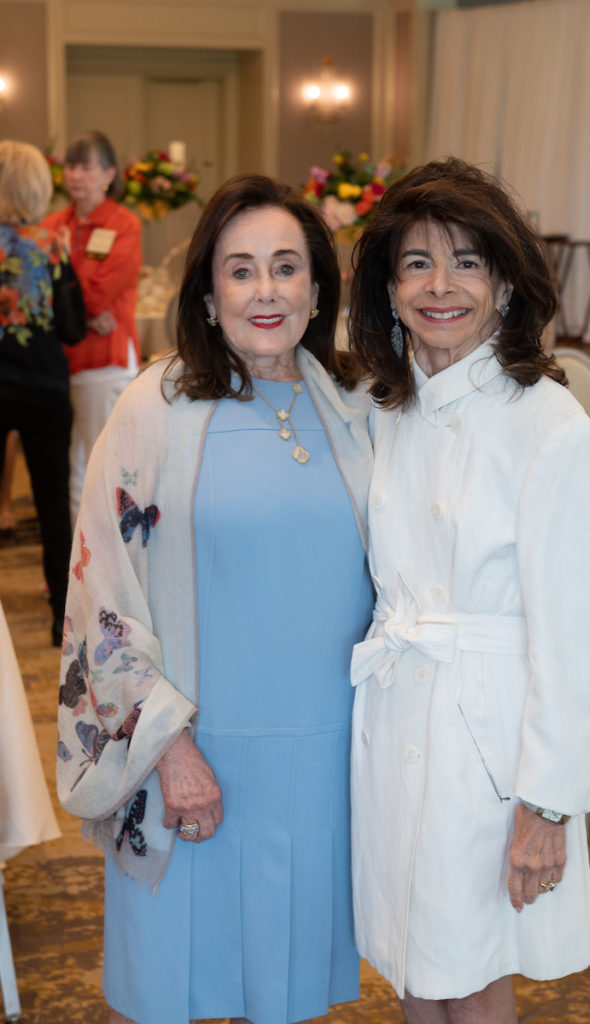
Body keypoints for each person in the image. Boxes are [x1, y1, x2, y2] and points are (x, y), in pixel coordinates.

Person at [56, 173, 374, 1024]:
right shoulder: (154, 408)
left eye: (286, 267)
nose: (266, 290)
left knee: (288, 991)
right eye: (240, 270)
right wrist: (169, 749)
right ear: (206, 295)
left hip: (320, 768)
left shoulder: (358, 407)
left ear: (318, 289)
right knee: (166, 990)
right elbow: (100, 596)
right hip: (192, 756)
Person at [348, 157, 590, 1024]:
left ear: (503, 283)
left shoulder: (547, 423)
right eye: (416, 263)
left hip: (488, 740)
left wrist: (547, 805)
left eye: (466, 261)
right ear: (389, 289)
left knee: (473, 970)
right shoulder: (381, 408)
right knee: (413, 963)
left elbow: (570, 642)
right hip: (393, 714)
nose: (440, 285)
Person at [0, 140, 86, 645]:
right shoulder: (51, 244)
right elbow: (72, 328)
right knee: (53, 507)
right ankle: (60, 619)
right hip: (44, 389)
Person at [43, 130, 142, 522]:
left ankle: (109, 550)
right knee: (71, 463)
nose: (75, 175)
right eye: (70, 166)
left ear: (108, 174)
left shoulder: (123, 224)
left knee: (105, 462)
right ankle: (77, 552)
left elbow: (98, 295)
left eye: (86, 167)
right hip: (59, 361)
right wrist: (81, 311)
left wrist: (72, 300)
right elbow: (38, 291)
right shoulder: (54, 223)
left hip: (105, 361)